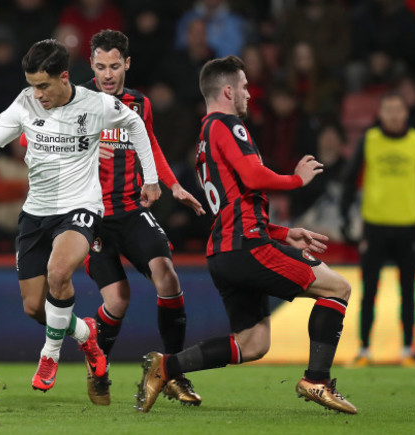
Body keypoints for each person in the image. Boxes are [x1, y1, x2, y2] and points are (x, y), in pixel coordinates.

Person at [135, 55, 358, 415]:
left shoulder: (205, 138)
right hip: (248, 247)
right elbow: (254, 177)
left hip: (226, 252)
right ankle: (317, 380)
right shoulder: (227, 126)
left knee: (252, 344)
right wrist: (295, 179)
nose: (249, 94)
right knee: (338, 288)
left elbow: (235, 204)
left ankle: (166, 367)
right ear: (227, 90)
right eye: (243, 86)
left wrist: (284, 233)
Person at [0, 39, 161, 392]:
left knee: (59, 272)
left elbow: (135, 125)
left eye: (43, 85)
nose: (37, 93)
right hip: (36, 213)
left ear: (63, 77)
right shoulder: (26, 103)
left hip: (80, 207)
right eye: (32, 85)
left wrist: (150, 178)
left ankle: (50, 355)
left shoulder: (96, 105)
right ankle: (87, 335)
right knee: (34, 307)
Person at [80, 29, 205, 406]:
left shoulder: (139, 104)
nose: (107, 74)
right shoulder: (75, 102)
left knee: (167, 275)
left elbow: (149, 144)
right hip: (92, 217)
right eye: (100, 66)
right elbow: (33, 146)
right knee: (118, 300)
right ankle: (97, 370)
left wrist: (173, 184)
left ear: (127, 64)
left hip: (132, 211)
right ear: (91, 65)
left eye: (114, 66)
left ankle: (172, 371)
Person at [340, 92, 415, 367]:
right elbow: (350, 179)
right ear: (380, 114)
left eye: (398, 110)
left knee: (408, 291)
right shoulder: (369, 140)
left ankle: (408, 350)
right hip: (375, 226)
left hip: (408, 226)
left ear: (406, 113)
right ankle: (364, 350)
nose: (394, 115)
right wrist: (345, 215)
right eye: (389, 110)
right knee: (369, 289)